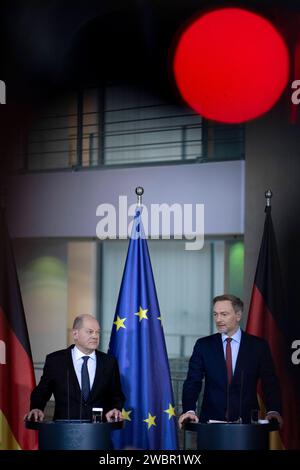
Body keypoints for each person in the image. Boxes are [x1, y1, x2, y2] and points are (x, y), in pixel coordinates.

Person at [179, 295, 283, 428]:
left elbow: (270, 382)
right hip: (211, 426)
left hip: (248, 427)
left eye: (224, 314)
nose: (218, 319)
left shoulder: (258, 346)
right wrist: (189, 410)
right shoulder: (203, 345)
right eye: (215, 314)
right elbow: (192, 382)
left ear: (238, 315)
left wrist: (274, 410)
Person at [25, 314, 125, 422]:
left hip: (98, 432)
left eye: (97, 332)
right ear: (75, 334)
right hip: (64, 431)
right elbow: (42, 392)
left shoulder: (109, 362)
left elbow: (116, 395)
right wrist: (36, 408)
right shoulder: (56, 361)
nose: (95, 336)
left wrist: (115, 409)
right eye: (90, 331)